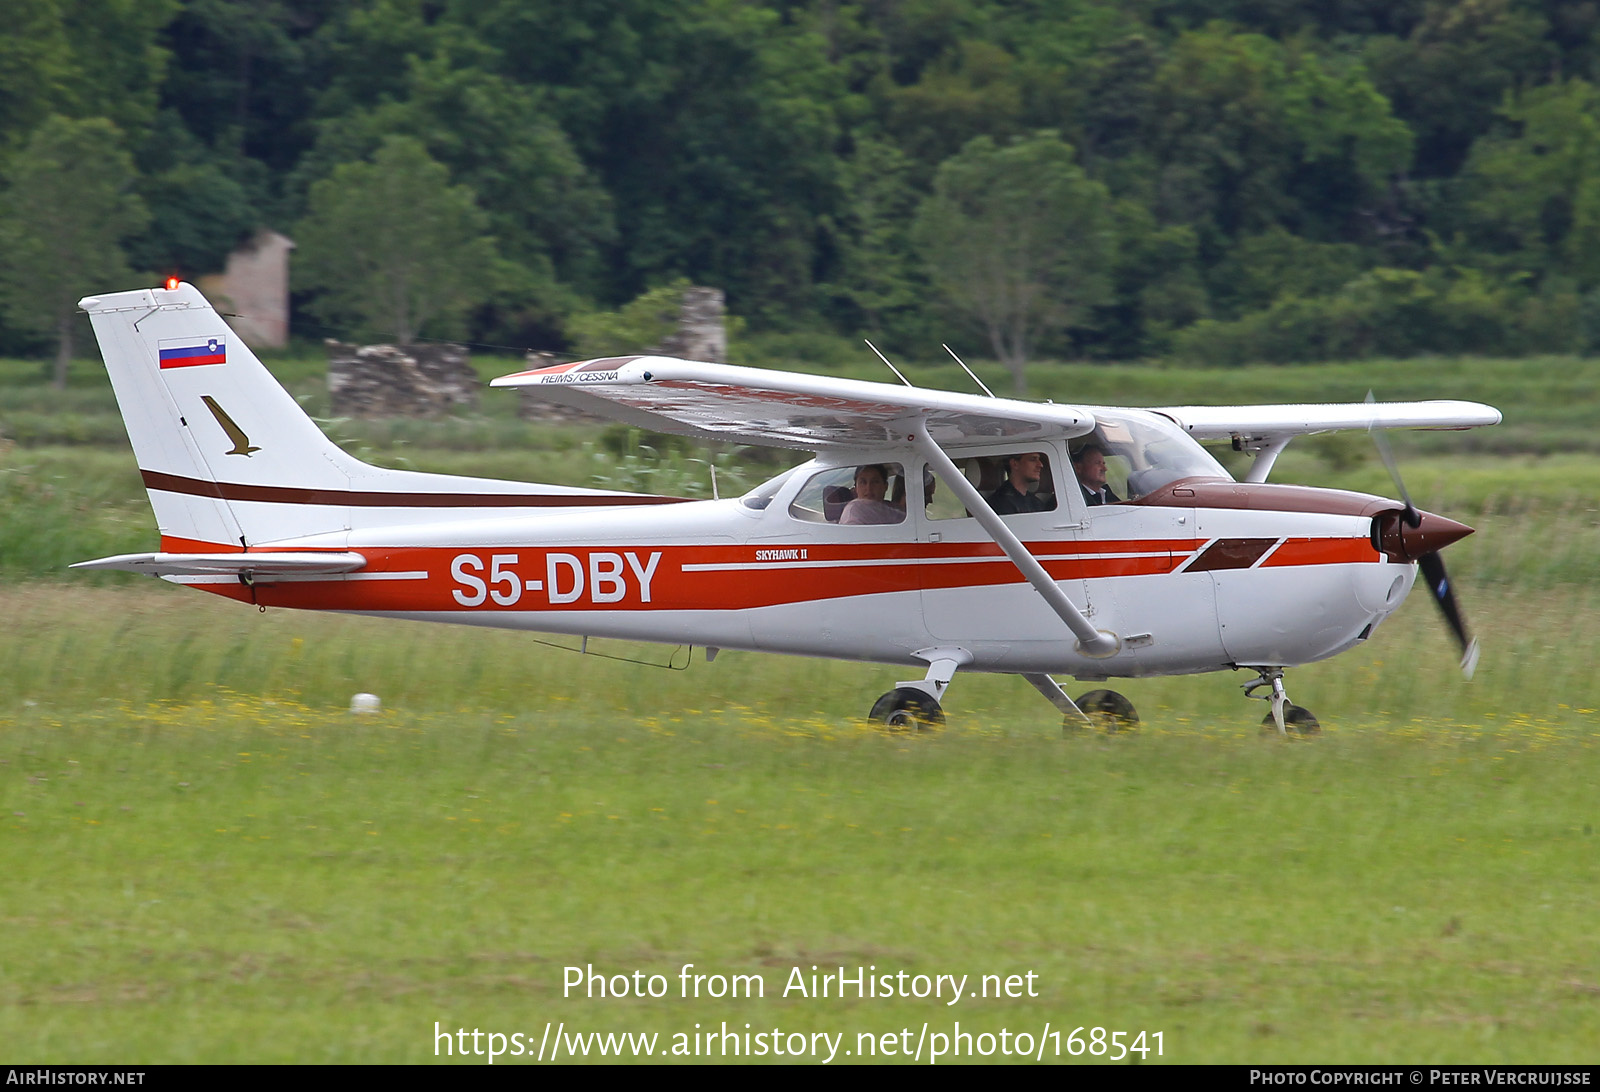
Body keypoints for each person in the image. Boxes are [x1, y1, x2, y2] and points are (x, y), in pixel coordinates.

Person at [986, 452, 1050, 515]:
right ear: (1015, 464)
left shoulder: (1034, 501)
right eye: (1033, 459)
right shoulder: (1001, 502)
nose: (1040, 465)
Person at [839, 464, 904, 525]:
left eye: (875, 482)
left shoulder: (895, 510)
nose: (869, 488)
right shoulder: (853, 511)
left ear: (885, 486)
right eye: (863, 482)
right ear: (856, 488)